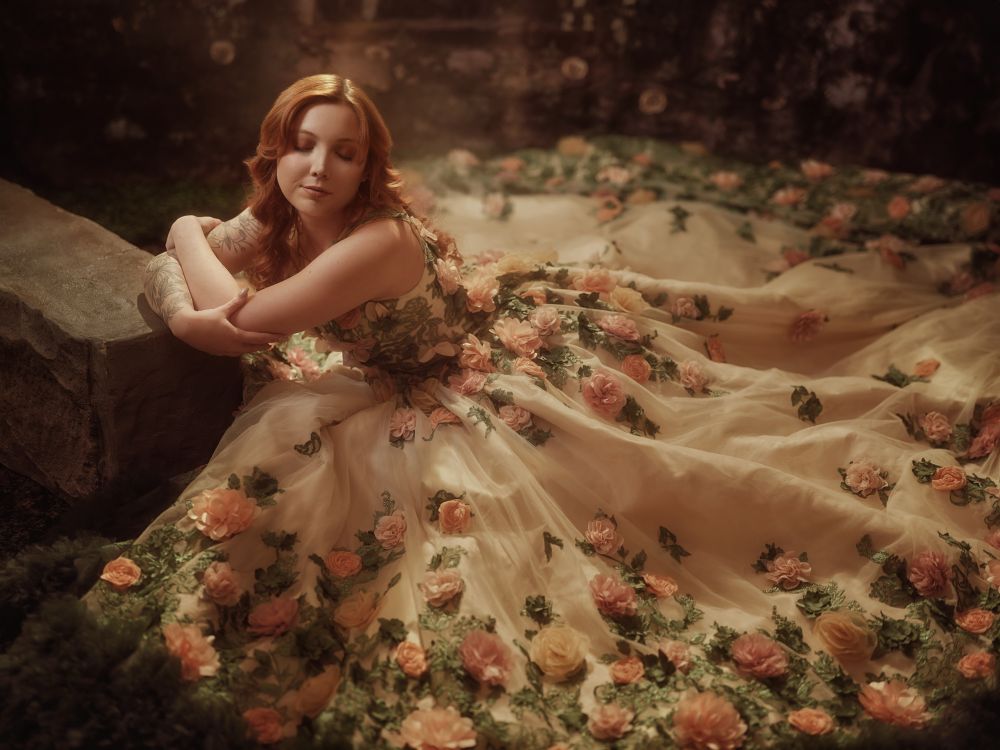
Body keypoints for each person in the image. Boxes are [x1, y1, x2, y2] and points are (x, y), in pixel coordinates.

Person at [84, 72, 1000, 748]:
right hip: (414, 369)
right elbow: (230, 260)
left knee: (658, 477)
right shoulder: (291, 206)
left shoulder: (372, 241)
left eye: (344, 151)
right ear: (277, 147)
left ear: (370, 169)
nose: (318, 167)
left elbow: (230, 326)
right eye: (302, 144)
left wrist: (178, 250)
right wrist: (205, 247)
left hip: (483, 378)